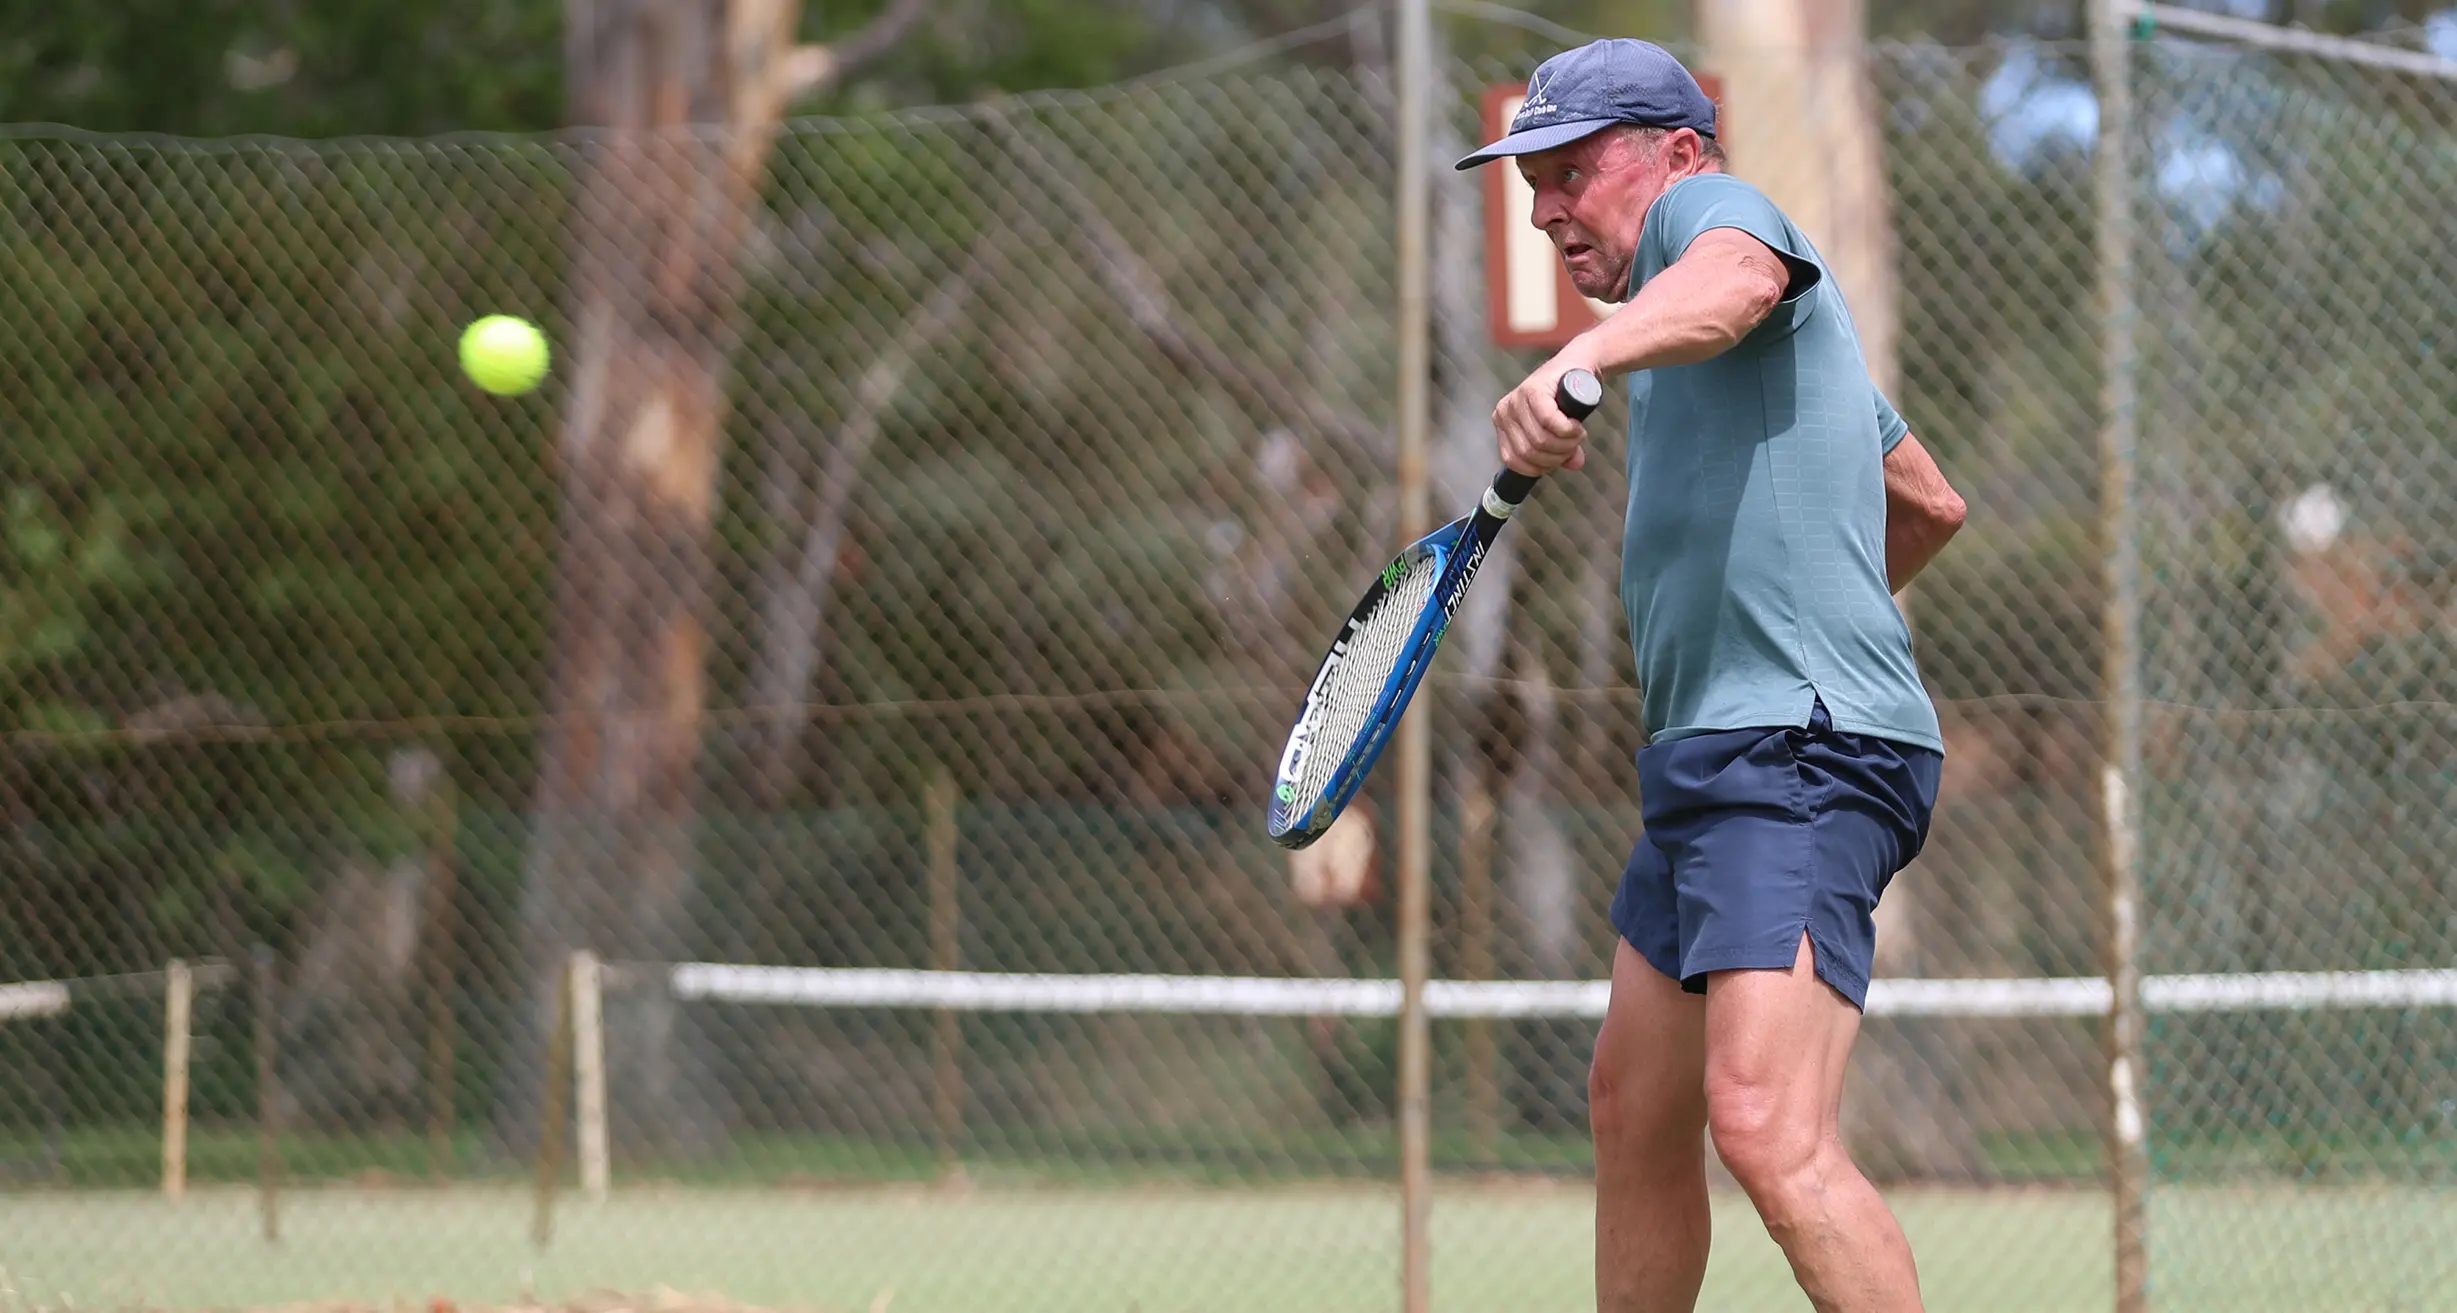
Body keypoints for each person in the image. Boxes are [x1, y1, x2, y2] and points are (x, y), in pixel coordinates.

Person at [1456, 37, 1969, 1313]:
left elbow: (1737, 279)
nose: (1545, 208)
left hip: (1797, 750)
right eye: (1530, 182)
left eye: (1571, 171)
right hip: (1712, 754)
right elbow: (1927, 500)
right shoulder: (1735, 348)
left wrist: (1575, 363)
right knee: (1632, 1106)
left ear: (1678, 154)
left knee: (1765, 1126)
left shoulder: (1714, 223)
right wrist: (1812, 604)